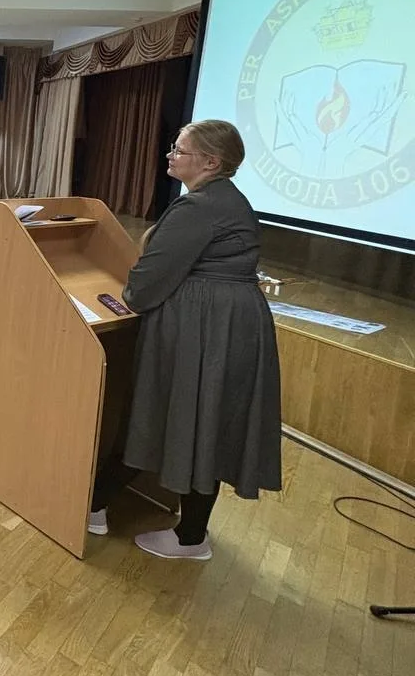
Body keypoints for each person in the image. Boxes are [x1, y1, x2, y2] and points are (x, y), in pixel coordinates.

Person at [88, 120, 281, 561]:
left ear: (211, 161)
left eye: (180, 150)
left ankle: (94, 504)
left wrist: (128, 295)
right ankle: (191, 533)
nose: (170, 156)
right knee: (207, 422)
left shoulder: (198, 207)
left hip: (201, 326)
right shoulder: (228, 199)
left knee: (156, 412)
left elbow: (145, 284)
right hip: (231, 323)